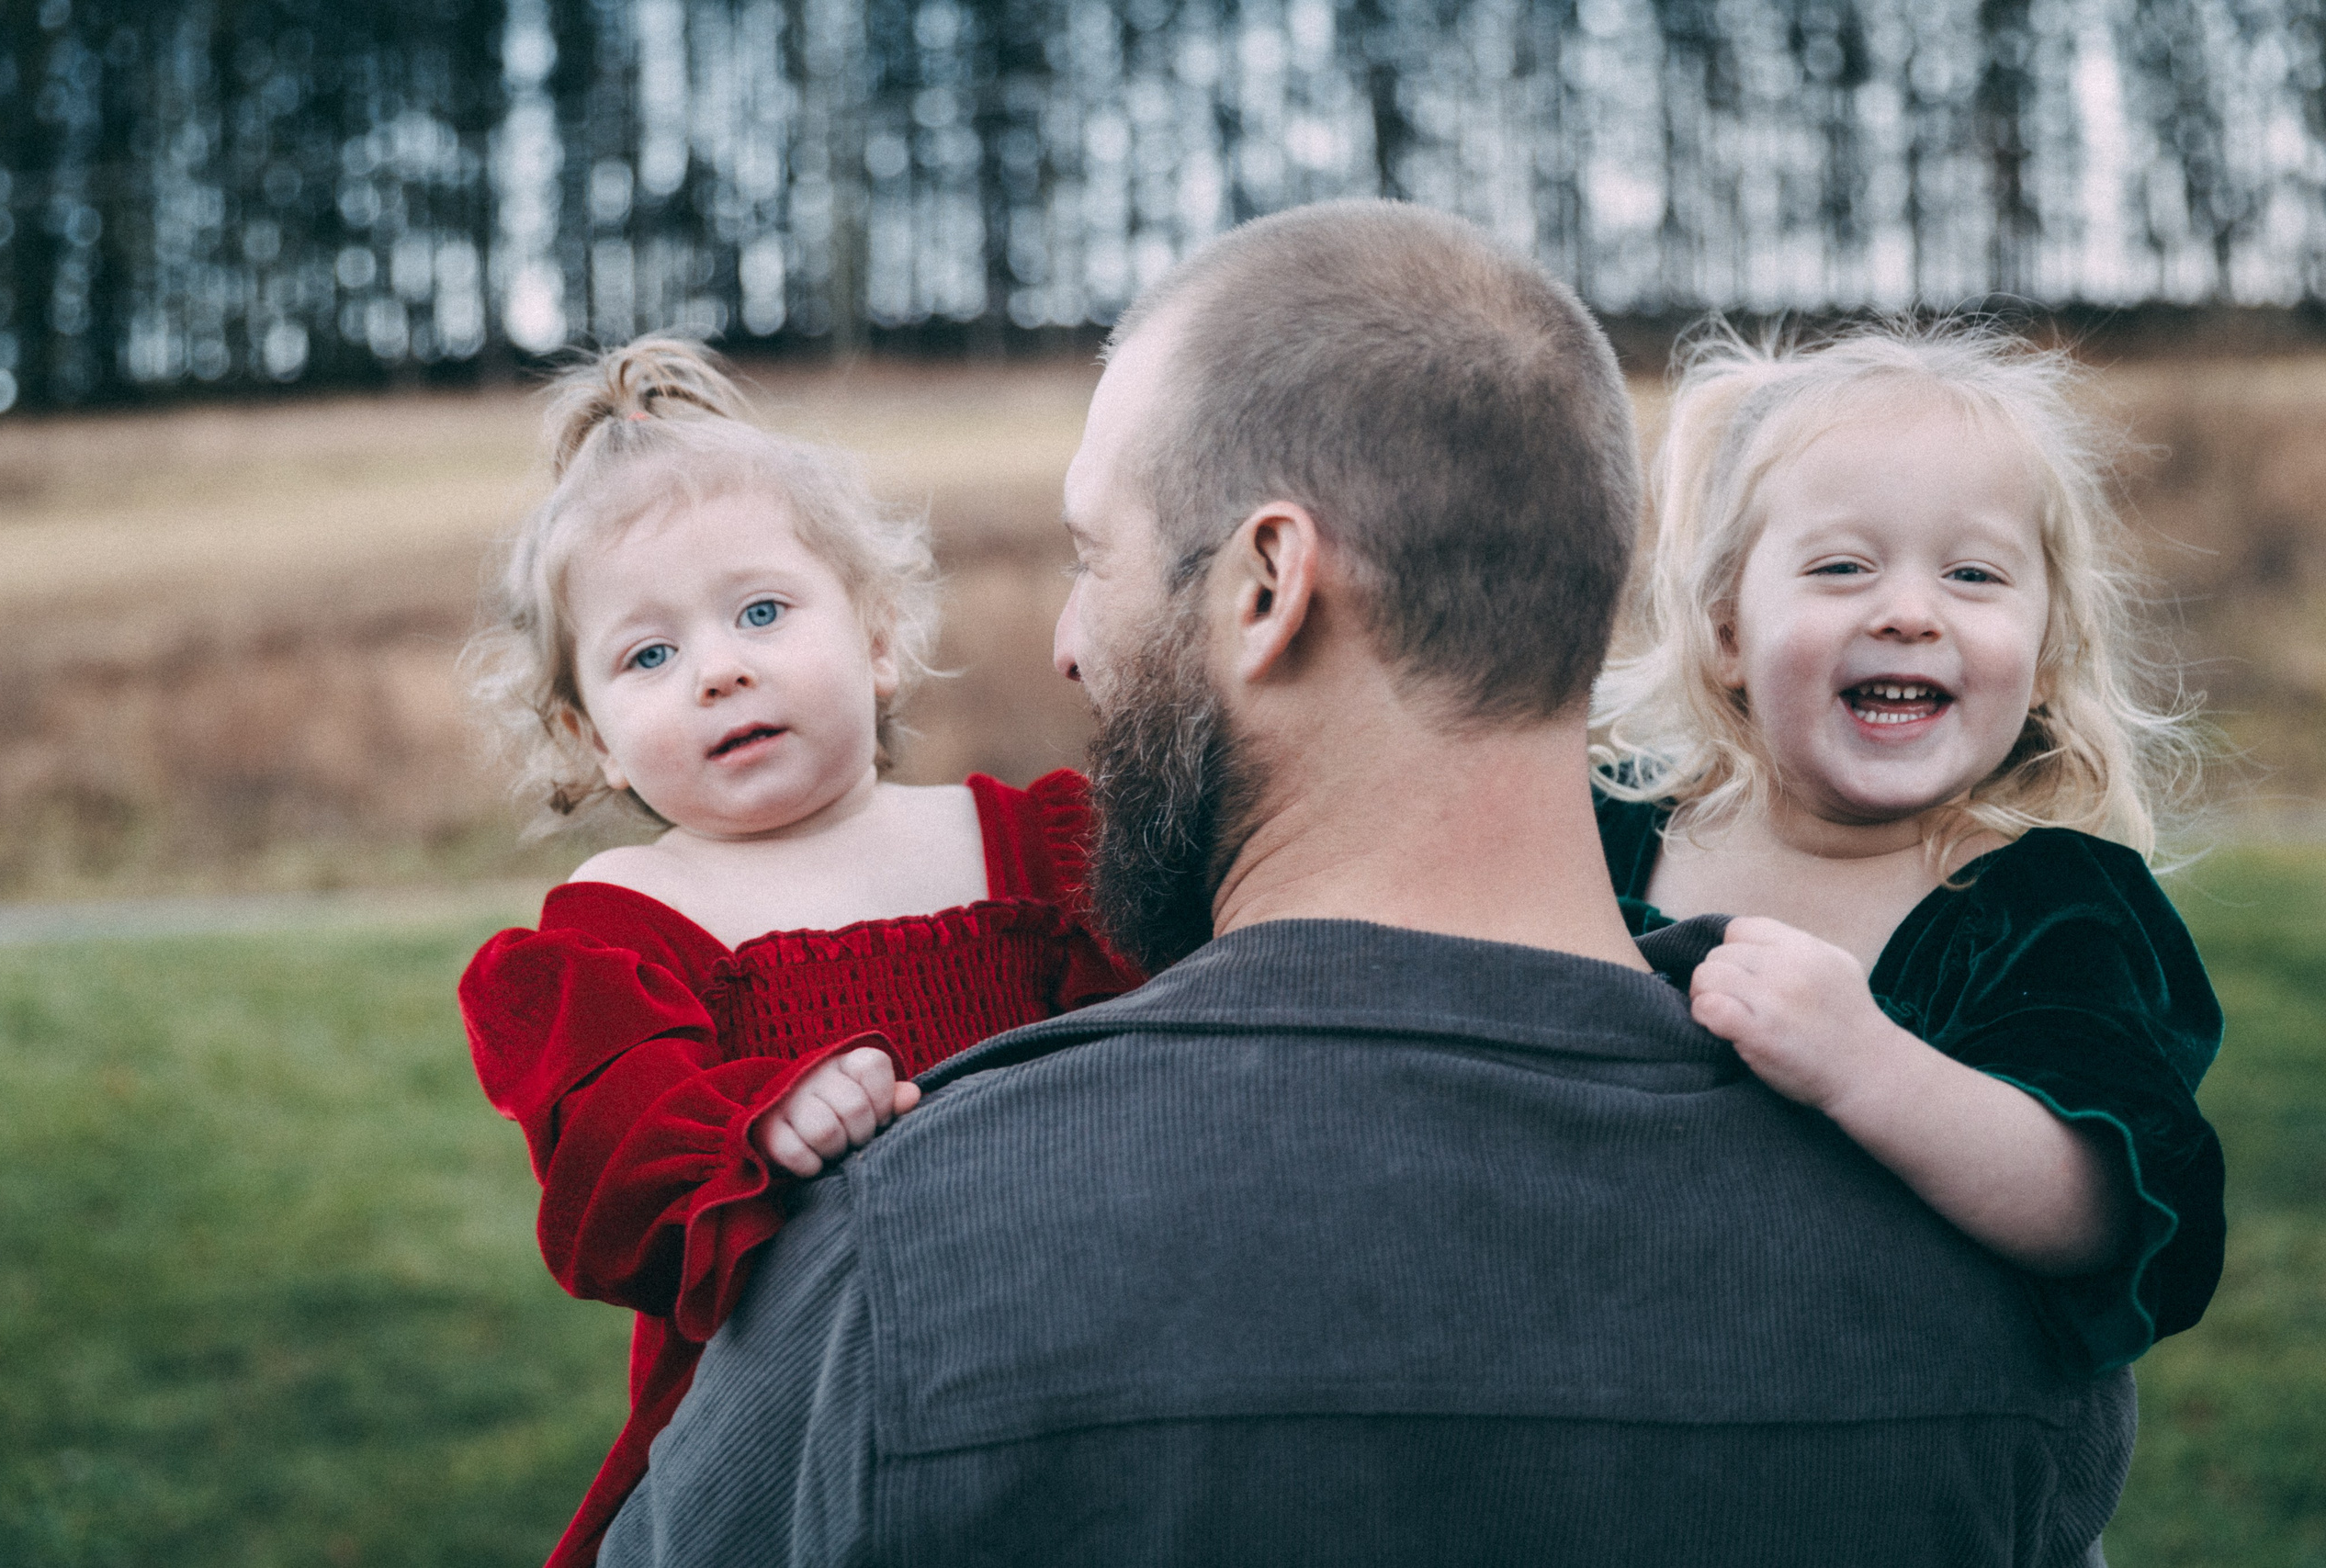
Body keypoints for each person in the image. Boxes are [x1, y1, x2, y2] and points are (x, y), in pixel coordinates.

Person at [597, 203, 2136, 1568]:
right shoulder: (1982, 1259)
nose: (1070, 645)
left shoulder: (907, 1267)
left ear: (1267, 586)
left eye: (1095, 558)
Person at [454, 336, 1136, 1568]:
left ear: (876, 639)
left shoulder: (1035, 847)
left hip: (1070, 1381)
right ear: (589, 732)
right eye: (647, 655)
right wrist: (756, 1113)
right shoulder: (622, 920)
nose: (720, 667)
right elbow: (609, 1177)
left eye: (763, 609)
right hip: (793, 1436)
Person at [1589, 321, 2224, 1376]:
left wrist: (1864, 1065)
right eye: (1841, 566)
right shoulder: (1610, 835)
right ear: (1727, 633)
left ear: (2048, 650)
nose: (1909, 613)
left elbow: (2105, 1211)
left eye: (1973, 575)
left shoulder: (2046, 907)